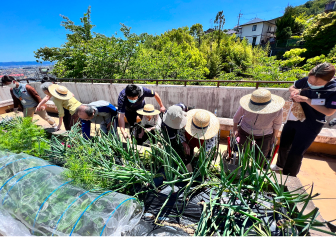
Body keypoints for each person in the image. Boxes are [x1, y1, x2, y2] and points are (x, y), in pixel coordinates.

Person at [272, 63, 336, 176]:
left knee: (297, 150)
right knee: (284, 143)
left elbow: (329, 111)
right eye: (310, 82)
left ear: (329, 80)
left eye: (317, 83)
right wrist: (294, 91)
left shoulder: (333, 90)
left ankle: (289, 175)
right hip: (294, 117)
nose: (312, 84)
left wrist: (307, 100)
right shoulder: (306, 80)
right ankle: (279, 165)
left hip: (312, 123)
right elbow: (292, 86)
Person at [233, 89, 284, 166]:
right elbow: (236, 117)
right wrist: (235, 129)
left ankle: (256, 171)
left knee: (261, 159)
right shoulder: (245, 106)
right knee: (242, 155)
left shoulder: (277, 110)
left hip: (265, 134)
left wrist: (274, 136)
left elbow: (277, 123)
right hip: (245, 131)